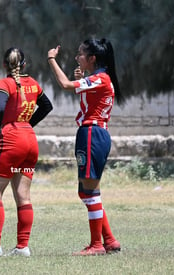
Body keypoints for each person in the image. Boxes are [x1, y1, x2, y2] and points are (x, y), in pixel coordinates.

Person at [0, 47, 53, 257]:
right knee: (23, 195)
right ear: (24, 64)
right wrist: (27, 123)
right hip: (29, 141)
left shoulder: (4, 84)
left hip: (11, 139)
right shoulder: (33, 83)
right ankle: (23, 247)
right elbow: (47, 106)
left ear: (4, 65)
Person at [47, 38, 123, 256]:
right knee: (87, 191)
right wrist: (81, 80)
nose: (76, 57)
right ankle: (109, 240)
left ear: (92, 58)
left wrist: (51, 59)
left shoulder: (100, 78)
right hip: (92, 134)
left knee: (89, 192)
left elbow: (65, 85)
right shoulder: (98, 79)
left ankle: (96, 245)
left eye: (81, 54)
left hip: (92, 134)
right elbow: (85, 97)